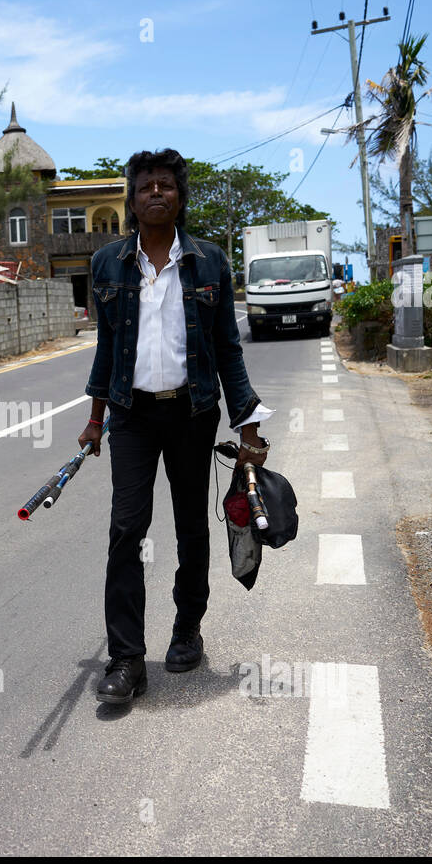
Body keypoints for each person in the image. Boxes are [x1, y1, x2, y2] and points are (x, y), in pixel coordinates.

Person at [78, 149, 273, 704]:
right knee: (125, 529)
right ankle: (127, 659)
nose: (156, 193)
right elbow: (107, 349)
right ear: (132, 200)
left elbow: (228, 351)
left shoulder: (209, 261)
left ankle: (187, 628)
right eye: (146, 186)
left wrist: (250, 427)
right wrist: (96, 421)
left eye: (166, 185)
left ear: (180, 197)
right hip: (132, 416)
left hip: (193, 413)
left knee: (192, 526)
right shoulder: (107, 265)